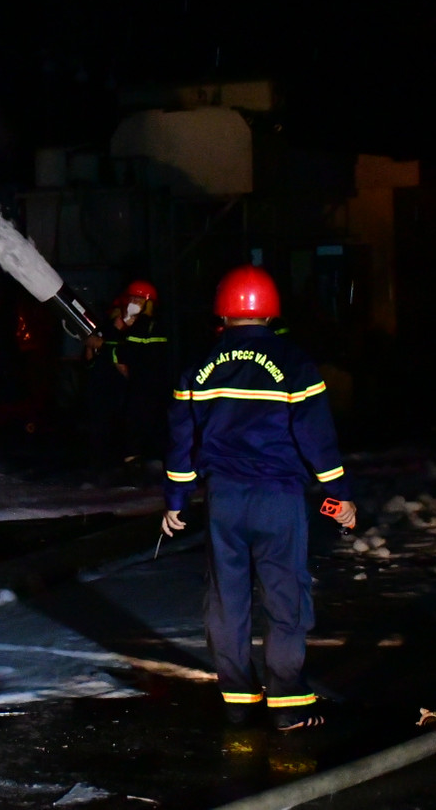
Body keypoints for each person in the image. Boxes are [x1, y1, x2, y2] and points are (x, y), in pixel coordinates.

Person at [159, 265, 356, 732]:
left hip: (224, 500)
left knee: (227, 599)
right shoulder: (295, 364)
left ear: (223, 311)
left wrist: (175, 500)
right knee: (284, 594)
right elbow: (317, 439)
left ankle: (238, 697)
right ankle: (288, 701)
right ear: (271, 310)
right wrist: (340, 493)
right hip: (278, 498)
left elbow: (181, 440)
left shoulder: (197, 367)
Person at [108, 279, 170, 462]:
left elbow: (125, 353)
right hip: (145, 388)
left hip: (145, 389)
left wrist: (122, 330)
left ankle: (136, 470)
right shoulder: (146, 325)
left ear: (148, 303)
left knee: (136, 428)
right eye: (132, 299)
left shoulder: (146, 325)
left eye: (139, 300)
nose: (133, 303)